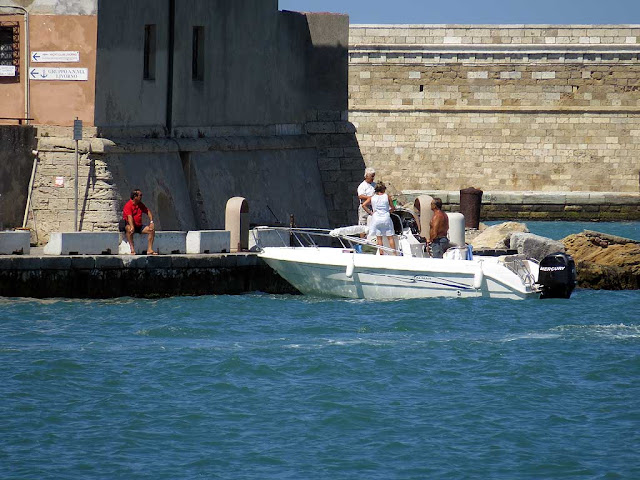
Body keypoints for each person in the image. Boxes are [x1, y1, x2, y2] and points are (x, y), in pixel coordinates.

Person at [362, 182, 397, 255]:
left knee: (379, 238)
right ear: (383, 189)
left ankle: (381, 254)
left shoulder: (372, 197)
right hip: (386, 218)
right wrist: (388, 211)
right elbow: (393, 208)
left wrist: (371, 213)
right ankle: (394, 254)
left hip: (376, 219)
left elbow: (363, 205)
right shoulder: (387, 196)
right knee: (390, 237)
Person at [120, 189, 156, 255]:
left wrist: (151, 222)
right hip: (129, 224)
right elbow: (129, 217)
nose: (141, 197)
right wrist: (132, 226)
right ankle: (132, 249)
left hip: (138, 225)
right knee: (129, 229)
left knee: (151, 230)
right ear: (135, 196)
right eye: (140, 195)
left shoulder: (140, 204)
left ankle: (149, 249)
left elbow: (148, 211)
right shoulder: (128, 205)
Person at [355, 168, 376, 251]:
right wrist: (370, 198)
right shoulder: (362, 186)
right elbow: (360, 196)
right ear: (366, 176)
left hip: (373, 207)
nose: (373, 178)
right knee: (363, 224)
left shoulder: (374, 185)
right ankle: (362, 243)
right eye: (372, 176)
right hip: (364, 207)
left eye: (373, 176)